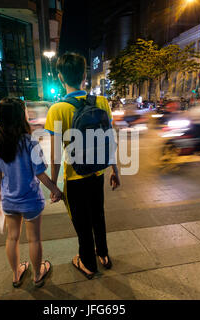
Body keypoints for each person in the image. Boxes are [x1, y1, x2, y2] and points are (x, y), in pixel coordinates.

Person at [45, 52, 121, 280]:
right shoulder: (102, 102)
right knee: (98, 215)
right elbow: (110, 140)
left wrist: (53, 188)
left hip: (75, 177)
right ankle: (104, 255)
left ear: (60, 77)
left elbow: (56, 156)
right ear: (84, 76)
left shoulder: (57, 110)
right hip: (97, 172)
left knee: (81, 222)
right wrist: (115, 171)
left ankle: (87, 263)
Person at [0, 97, 63, 288]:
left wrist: (2, 193)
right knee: (34, 239)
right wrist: (56, 190)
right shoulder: (30, 142)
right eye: (25, 111)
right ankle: (38, 275)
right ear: (20, 116)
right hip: (30, 199)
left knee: (12, 237)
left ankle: (16, 275)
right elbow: (40, 174)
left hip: (9, 200)